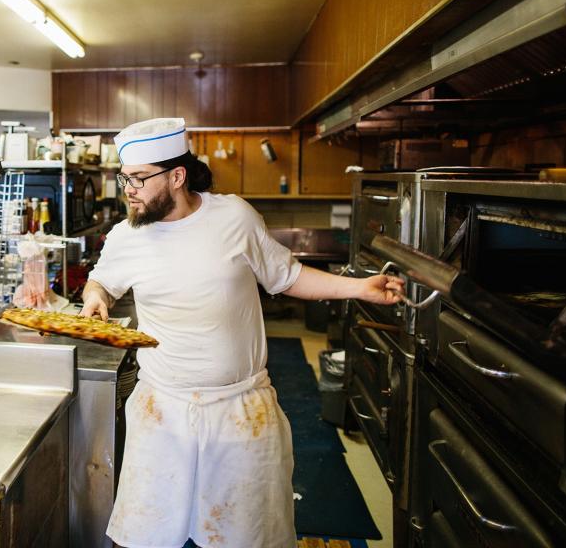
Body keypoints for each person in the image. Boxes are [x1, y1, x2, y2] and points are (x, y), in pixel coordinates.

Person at [80, 118, 405, 548]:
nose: (129, 190)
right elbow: (101, 280)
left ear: (177, 176)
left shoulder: (234, 216)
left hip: (239, 411)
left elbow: (287, 276)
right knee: (143, 534)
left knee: (246, 536)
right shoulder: (127, 236)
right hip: (163, 411)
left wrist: (359, 288)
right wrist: (94, 296)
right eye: (125, 179)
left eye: (139, 179)